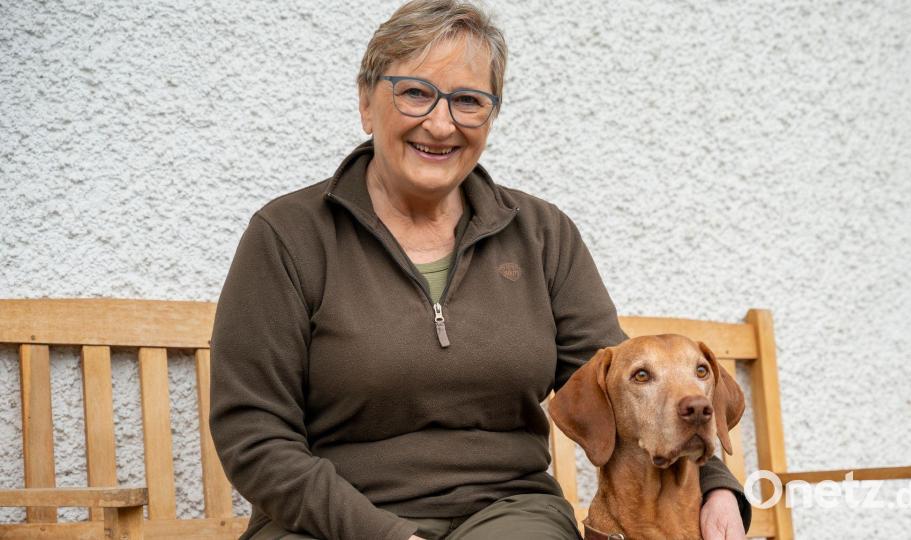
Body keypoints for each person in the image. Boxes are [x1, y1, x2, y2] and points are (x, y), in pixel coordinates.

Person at [210, 1, 750, 539]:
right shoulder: (287, 236)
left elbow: (620, 382)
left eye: (468, 101)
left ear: (490, 118)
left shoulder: (543, 235)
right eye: (415, 92)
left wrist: (715, 485)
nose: (440, 123)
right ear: (366, 103)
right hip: (331, 524)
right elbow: (253, 434)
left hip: (508, 514)